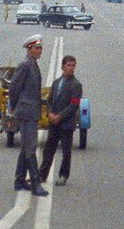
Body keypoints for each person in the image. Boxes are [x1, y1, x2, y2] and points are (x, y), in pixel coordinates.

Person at [7, 34, 48, 196]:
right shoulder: (25, 65)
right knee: (31, 147)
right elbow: (14, 87)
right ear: (29, 49)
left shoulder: (33, 64)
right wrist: (14, 106)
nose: (40, 51)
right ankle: (36, 183)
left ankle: (19, 180)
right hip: (26, 111)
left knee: (25, 146)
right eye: (37, 48)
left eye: (41, 48)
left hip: (30, 110)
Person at [39, 54, 83, 187]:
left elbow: (74, 105)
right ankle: (42, 175)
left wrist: (59, 117)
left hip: (66, 124)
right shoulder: (56, 82)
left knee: (66, 151)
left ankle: (63, 175)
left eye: (73, 65)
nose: (71, 68)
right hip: (54, 123)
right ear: (63, 66)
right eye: (68, 65)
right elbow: (50, 100)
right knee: (49, 149)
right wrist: (50, 113)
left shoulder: (76, 85)